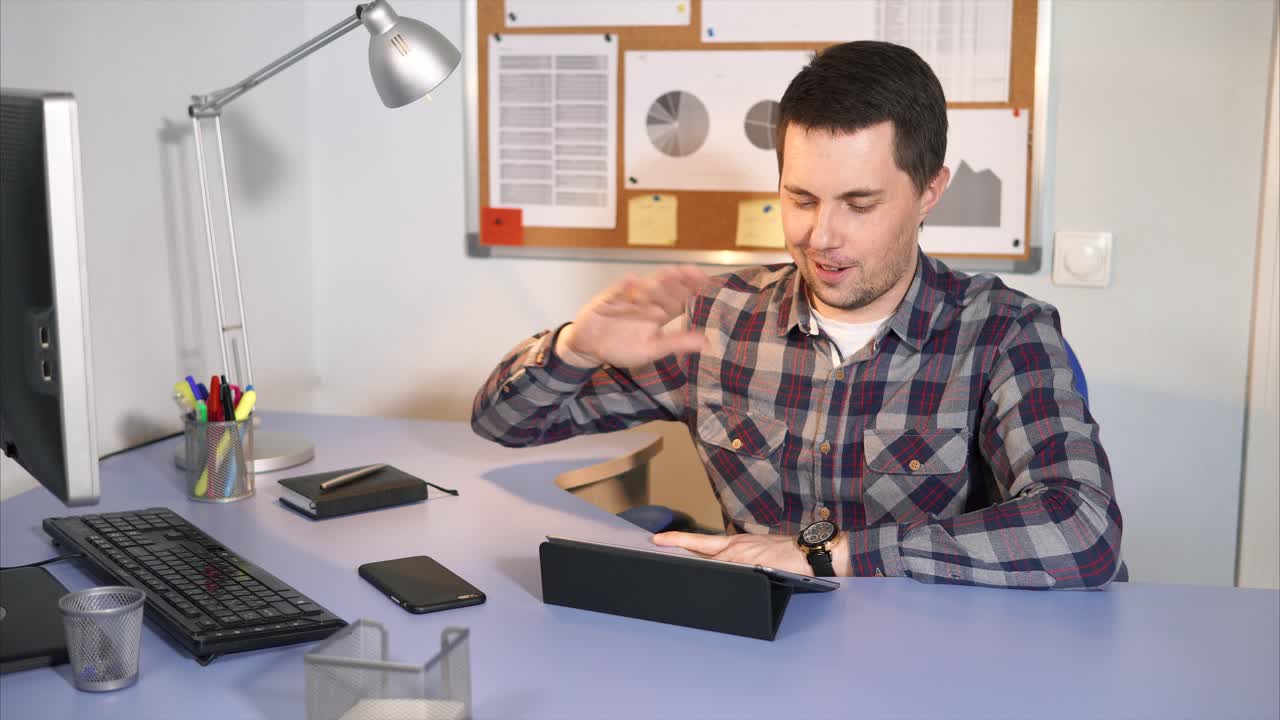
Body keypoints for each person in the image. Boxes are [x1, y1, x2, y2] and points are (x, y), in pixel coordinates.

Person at [472, 41, 1122, 589]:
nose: (821, 235)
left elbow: (1083, 527)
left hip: (927, 661)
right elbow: (502, 423)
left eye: (859, 204)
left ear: (930, 192)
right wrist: (574, 351)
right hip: (760, 648)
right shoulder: (720, 319)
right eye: (801, 198)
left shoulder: (1004, 330)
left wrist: (830, 555)